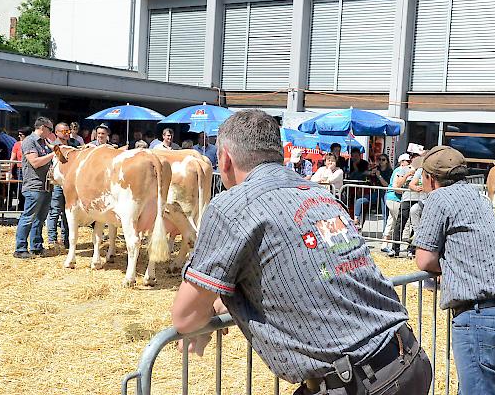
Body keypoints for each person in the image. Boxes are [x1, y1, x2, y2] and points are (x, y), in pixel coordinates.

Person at [170, 109, 432, 395]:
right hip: (408, 359)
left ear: (225, 159)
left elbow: (185, 317)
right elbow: (293, 274)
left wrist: (203, 318)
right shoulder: (320, 194)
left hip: (357, 383)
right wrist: (222, 303)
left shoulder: (232, 206)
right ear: (281, 153)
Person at [413, 145, 495, 395]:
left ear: (430, 178)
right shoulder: (479, 199)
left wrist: (449, 266)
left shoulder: (439, 198)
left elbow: (424, 259)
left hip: (480, 322)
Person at [13, 117, 55, 259]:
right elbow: (35, 162)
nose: (51, 133)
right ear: (42, 127)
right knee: (28, 217)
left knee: (40, 219)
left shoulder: (45, 142)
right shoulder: (29, 141)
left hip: (45, 186)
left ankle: (36, 246)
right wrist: (53, 154)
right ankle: (20, 248)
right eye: (50, 130)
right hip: (34, 185)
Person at [46, 122, 79, 249]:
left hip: (70, 184)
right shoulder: (53, 146)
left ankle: (66, 240)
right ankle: (52, 239)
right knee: (55, 211)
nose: (66, 133)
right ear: (56, 133)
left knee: (68, 212)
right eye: (63, 131)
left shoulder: (74, 145)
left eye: (67, 131)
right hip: (58, 183)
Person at [389, 149, 422, 256]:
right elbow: (398, 185)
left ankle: (411, 249)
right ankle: (395, 248)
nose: (416, 158)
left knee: (416, 226)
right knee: (400, 223)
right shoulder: (404, 169)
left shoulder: (423, 170)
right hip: (407, 199)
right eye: (414, 156)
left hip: (419, 199)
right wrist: (408, 174)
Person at [353, 153, 393, 229]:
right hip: (376, 192)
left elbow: (386, 185)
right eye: (379, 159)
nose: (381, 161)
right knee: (359, 201)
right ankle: (356, 219)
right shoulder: (376, 168)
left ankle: (385, 233)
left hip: (385, 192)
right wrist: (370, 172)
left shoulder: (389, 171)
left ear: (387, 161)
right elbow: (363, 173)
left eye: (383, 160)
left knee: (385, 213)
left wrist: (379, 176)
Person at [381, 153, 411, 253]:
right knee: (402, 221)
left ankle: (384, 243)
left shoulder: (397, 170)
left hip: (391, 198)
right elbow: (396, 187)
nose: (409, 163)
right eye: (408, 161)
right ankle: (403, 244)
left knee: (391, 221)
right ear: (402, 162)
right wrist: (406, 192)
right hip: (395, 198)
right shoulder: (399, 171)